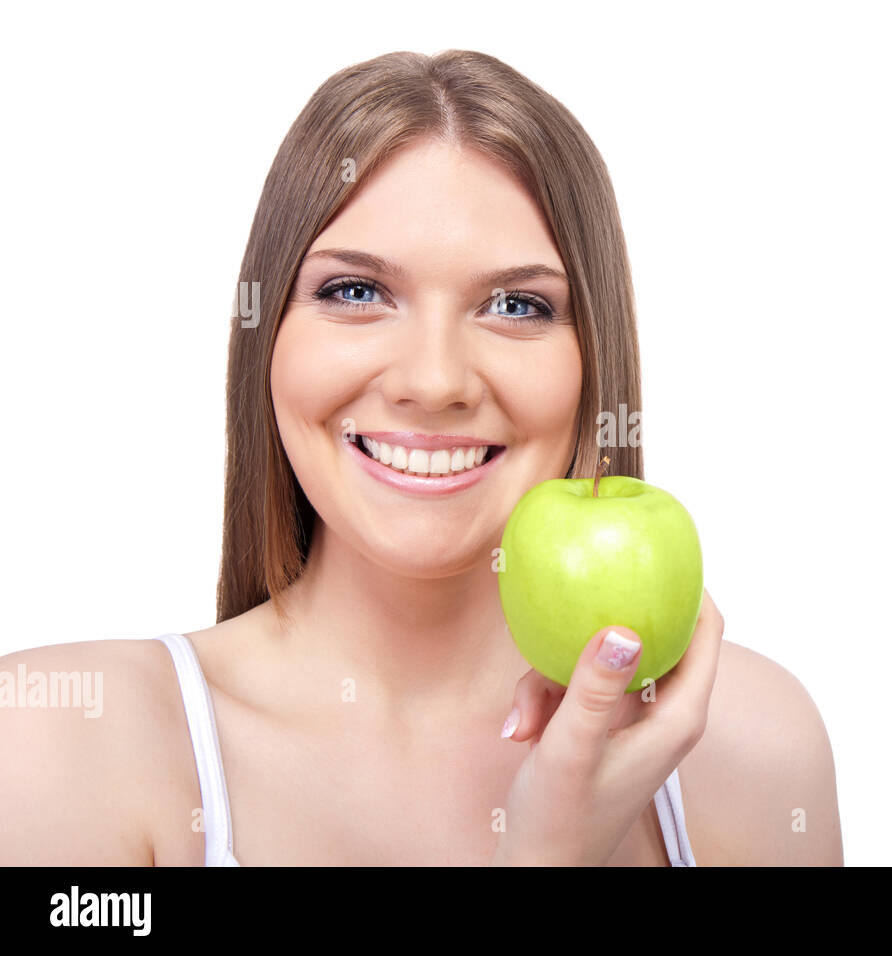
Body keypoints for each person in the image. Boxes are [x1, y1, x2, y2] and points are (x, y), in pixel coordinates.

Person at [0, 49, 842, 866]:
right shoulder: (55, 746)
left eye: (517, 304)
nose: (433, 380)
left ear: (593, 359)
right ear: (267, 338)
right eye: (355, 292)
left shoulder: (749, 747)